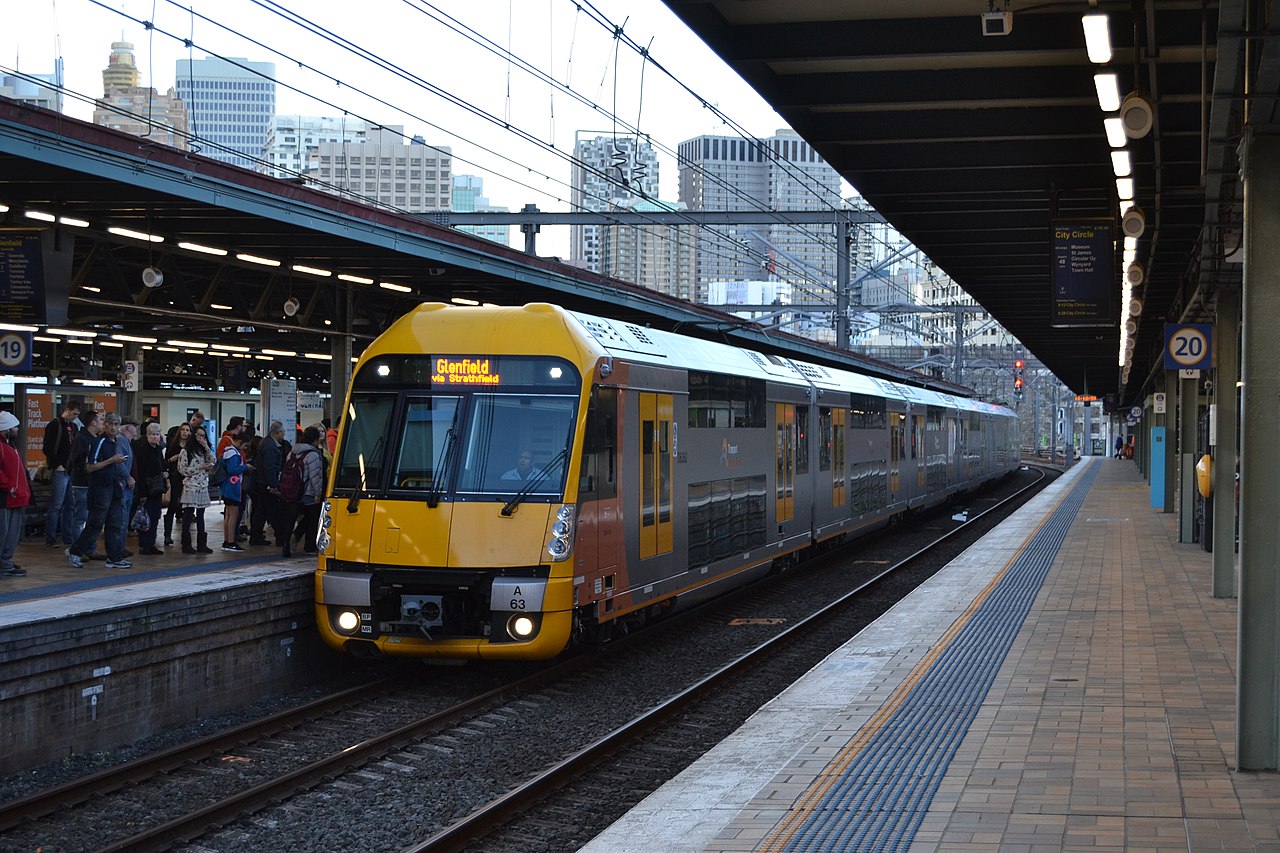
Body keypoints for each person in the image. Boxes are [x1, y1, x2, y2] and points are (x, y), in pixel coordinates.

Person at [68, 413, 131, 569]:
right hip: (101, 488)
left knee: (115, 523)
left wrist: (126, 476)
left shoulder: (115, 441)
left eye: (116, 424)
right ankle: (75, 551)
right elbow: (90, 467)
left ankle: (114, 557)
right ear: (105, 424)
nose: (113, 427)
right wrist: (111, 460)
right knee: (96, 523)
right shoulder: (100, 441)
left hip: (114, 486)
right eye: (110, 424)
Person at [41, 398, 81, 548]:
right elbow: (47, 448)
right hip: (60, 469)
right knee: (56, 505)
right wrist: (57, 464)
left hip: (70, 470)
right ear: (68, 410)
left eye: (77, 415)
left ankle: (67, 537)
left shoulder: (73, 427)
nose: (75, 417)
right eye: (74, 414)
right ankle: (50, 538)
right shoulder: (55, 425)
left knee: (70, 505)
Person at [281, 426, 324, 558]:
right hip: (307, 492)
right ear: (315, 440)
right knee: (312, 518)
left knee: (290, 519)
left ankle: (285, 545)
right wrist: (318, 494)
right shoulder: (313, 454)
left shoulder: (292, 452)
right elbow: (315, 476)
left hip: (292, 492)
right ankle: (309, 546)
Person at [66, 409, 103, 558]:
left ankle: (89, 547)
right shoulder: (82, 438)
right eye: (100, 420)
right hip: (82, 483)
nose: (102, 423)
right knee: (80, 517)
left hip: (91, 483)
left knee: (91, 518)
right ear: (93, 422)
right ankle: (78, 549)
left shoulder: (94, 438)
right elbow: (76, 460)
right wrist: (85, 470)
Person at [0, 411, 31, 577]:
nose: (17, 430)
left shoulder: (10, 445)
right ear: (6, 429)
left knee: (12, 533)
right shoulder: (2, 446)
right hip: (6, 496)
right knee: (4, 532)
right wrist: (8, 486)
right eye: (15, 427)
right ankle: (3, 563)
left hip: (15, 495)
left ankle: (5, 560)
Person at [249, 420, 287, 546]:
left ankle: (256, 535)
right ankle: (281, 536)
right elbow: (270, 467)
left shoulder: (265, 443)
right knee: (273, 510)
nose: (284, 435)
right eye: (283, 432)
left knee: (262, 510)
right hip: (266, 483)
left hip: (261, 482)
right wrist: (273, 485)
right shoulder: (271, 447)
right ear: (278, 432)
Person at [132, 422, 168, 555]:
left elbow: (162, 465)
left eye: (157, 434)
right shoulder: (143, 450)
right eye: (152, 434)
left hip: (157, 488)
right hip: (146, 488)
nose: (155, 437)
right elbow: (140, 472)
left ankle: (151, 543)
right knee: (144, 516)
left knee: (155, 516)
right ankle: (144, 544)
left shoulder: (158, 449)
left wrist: (165, 473)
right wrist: (142, 492)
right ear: (147, 435)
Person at [178, 426, 215, 554]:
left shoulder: (204, 451)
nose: (201, 438)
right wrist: (200, 467)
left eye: (203, 436)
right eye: (198, 435)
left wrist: (207, 447)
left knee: (201, 515)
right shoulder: (186, 451)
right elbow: (183, 470)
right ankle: (186, 544)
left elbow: (213, 461)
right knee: (188, 515)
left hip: (203, 485)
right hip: (191, 485)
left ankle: (202, 544)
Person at [218, 432, 252, 552]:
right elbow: (232, 470)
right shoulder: (234, 453)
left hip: (227, 487)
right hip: (233, 487)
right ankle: (231, 541)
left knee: (228, 515)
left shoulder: (228, 451)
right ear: (240, 442)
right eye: (245, 446)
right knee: (233, 515)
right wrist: (245, 467)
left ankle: (227, 540)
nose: (245, 449)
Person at [162, 422, 191, 546]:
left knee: (188, 506)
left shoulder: (191, 447)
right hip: (175, 477)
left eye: (187, 430)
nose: (185, 432)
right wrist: (172, 459)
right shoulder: (173, 446)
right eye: (183, 430)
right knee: (173, 504)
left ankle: (186, 534)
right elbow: (166, 462)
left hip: (188, 477)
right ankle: (167, 535)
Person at [115, 419, 138, 558]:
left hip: (128, 486)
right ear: (128, 427)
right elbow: (120, 462)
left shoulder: (127, 442)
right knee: (121, 519)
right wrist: (128, 477)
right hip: (123, 485)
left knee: (125, 518)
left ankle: (121, 546)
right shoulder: (121, 440)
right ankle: (118, 547)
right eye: (135, 427)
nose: (136, 430)